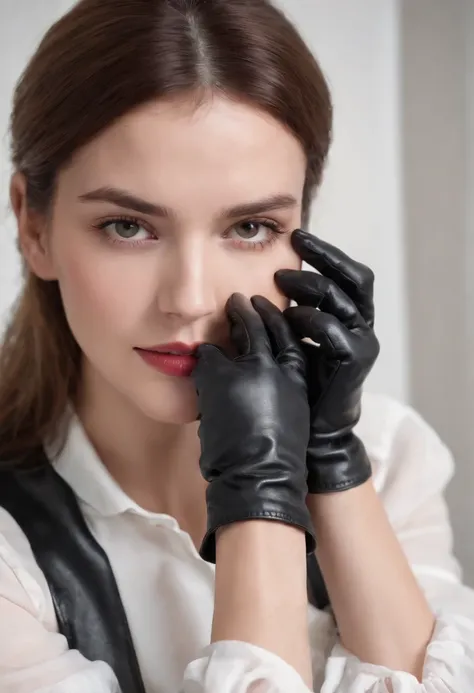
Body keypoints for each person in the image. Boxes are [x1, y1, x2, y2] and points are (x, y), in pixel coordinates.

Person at [0, 0, 472, 691]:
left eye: (249, 226)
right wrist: (260, 496)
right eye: (128, 226)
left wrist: (329, 463)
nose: (189, 297)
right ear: (34, 226)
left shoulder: (390, 459)